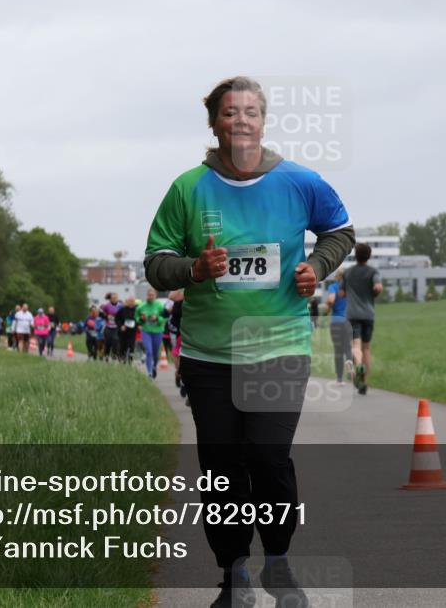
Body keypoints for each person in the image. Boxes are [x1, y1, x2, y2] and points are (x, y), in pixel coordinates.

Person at [144, 76, 354, 608]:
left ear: (264, 120)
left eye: (251, 111)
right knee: (220, 468)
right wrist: (194, 267)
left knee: (268, 458)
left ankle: (278, 563)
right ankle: (233, 574)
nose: (241, 120)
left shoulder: (300, 182)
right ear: (214, 123)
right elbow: (156, 263)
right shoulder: (188, 188)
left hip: (280, 346)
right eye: (230, 112)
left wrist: (316, 267)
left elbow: (340, 232)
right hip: (208, 356)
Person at [341, 243, 382, 395]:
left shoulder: (348, 273)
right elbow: (378, 287)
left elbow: (342, 293)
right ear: (369, 256)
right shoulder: (373, 272)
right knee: (366, 347)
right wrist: (373, 294)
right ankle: (364, 382)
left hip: (352, 314)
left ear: (355, 255)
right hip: (368, 314)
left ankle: (358, 365)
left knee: (356, 346)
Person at [324, 270, 353, 385]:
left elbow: (331, 300)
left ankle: (339, 379)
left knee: (338, 350)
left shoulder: (334, 287)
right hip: (348, 322)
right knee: (348, 348)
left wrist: (327, 309)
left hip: (336, 322)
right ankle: (350, 366)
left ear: (336, 277)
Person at [136, 288, 167, 378]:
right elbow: (137, 317)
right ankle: (149, 372)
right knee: (149, 351)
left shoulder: (160, 305)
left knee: (156, 353)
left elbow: (165, 317)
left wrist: (157, 319)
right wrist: (142, 319)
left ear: (155, 296)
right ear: (147, 296)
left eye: (152, 295)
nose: (151, 297)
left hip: (158, 331)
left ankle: (154, 367)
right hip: (146, 331)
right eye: (149, 295)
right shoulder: (142, 306)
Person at [116, 296, 139, 364]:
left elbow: (139, 319)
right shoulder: (122, 310)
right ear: (127, 302)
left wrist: (138, 325)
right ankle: (122, 357)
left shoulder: (137, 310)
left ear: (134, 302)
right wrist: (121, 326)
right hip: (123, 331)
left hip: (132, 331)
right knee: (123, 346)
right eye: (130, 301)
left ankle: (130, 360)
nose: (131, 303)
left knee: (131, 345)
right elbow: (117, 319)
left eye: (132, 301)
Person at [100, 292, 122, 361]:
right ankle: (106, 355)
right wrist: (106, 316)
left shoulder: (121, 306)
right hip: (108, 327)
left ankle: (114, 355)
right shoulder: (106, 306)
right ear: (110, 299)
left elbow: (124, 315)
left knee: (115, 341)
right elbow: (101, 314)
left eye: (116, 298)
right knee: (108, 342)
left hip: (116, 327)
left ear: (118, 299)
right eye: (113, 298)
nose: (114, 299)